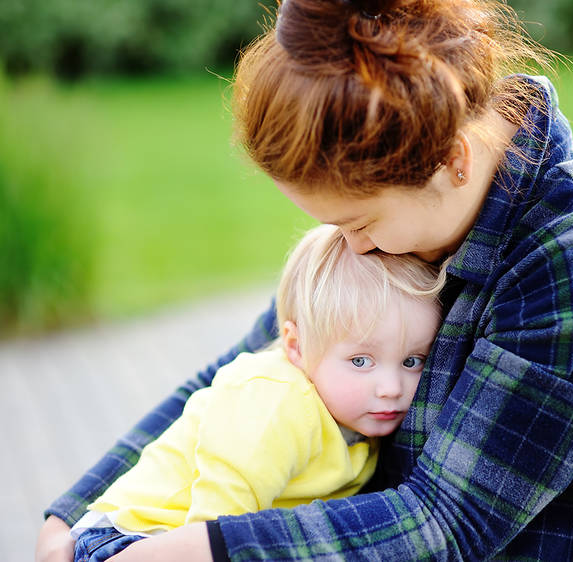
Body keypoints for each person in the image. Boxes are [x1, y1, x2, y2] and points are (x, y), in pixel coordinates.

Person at [36, 0, 573, 560]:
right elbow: (259, 363)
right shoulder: (410, 211)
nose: (349, 246)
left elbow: (448, 526)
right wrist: (76, 515)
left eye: (359, 222)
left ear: (451, 160)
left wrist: (202, 548)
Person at [65, 223, 444, 561]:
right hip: (140, 537)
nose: (392, 388)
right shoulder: (275, 401)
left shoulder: (356, 413)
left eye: (412, 361)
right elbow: (216, 523)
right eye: (361, 361)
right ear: (296, 346)